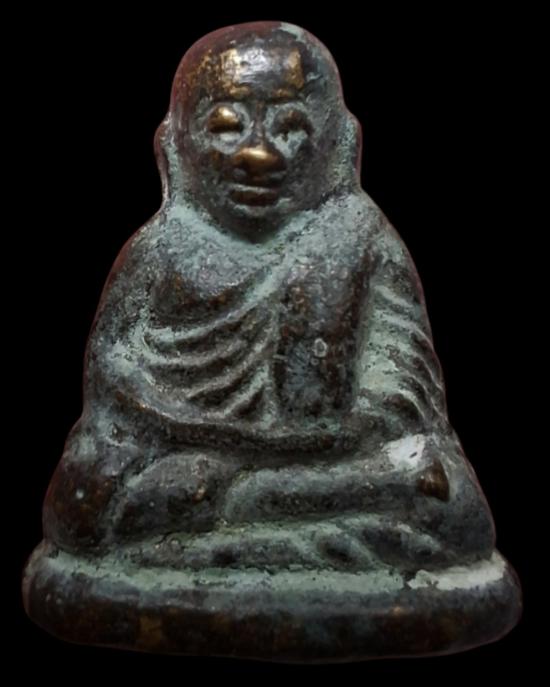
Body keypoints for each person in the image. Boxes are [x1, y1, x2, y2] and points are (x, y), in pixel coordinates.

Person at [24, 22, 520, 660]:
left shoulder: (361, 241)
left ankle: (238, 517)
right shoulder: (157, 251)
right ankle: (265, 517)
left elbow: (403, 392)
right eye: (227, 127)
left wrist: (321, 438)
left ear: (340, 147)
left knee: (450, 505)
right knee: (83, 500)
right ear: (174, 147)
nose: (258, 155)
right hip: (184, 450)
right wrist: (191, 427)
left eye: (289, 128)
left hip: (320, 455)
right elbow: (112, 378)